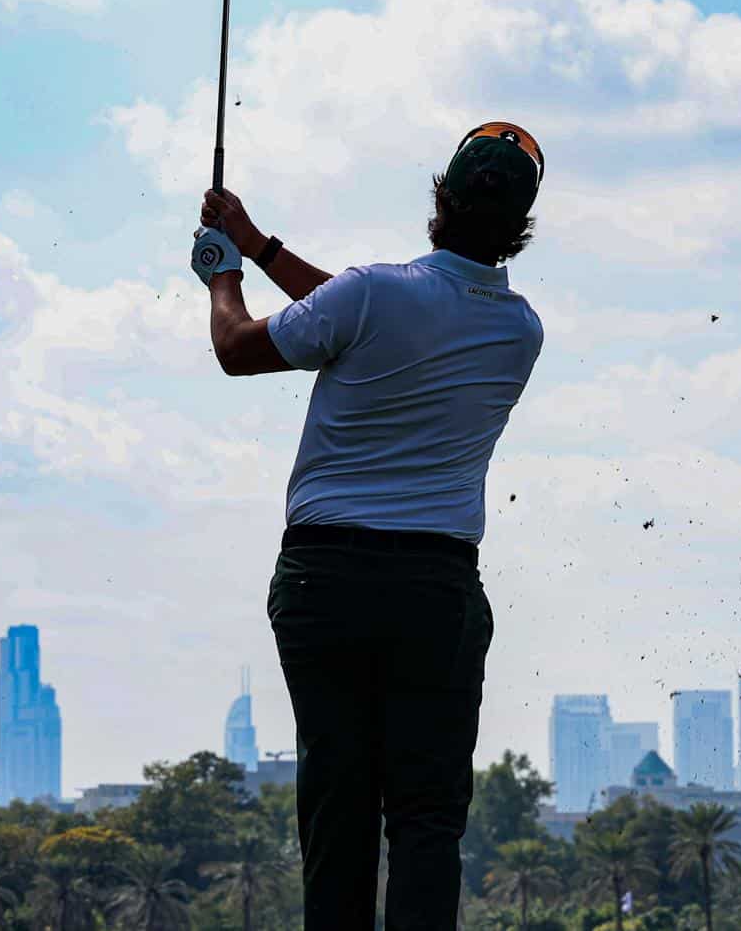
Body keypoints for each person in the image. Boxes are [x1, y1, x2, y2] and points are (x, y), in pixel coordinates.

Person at [189, 123, 547, 927]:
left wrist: (224, 271)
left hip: (327, 583)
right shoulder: (519, 331)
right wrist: (258, 239)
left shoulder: (373, 292)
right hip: (436, 591)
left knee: (338, 804)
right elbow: (361, 315)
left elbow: (240, 349)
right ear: (520, 227)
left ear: (440, 198)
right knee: (426, 816)